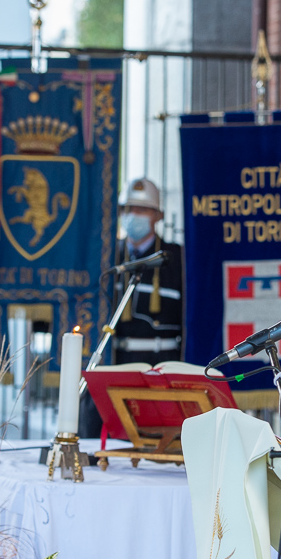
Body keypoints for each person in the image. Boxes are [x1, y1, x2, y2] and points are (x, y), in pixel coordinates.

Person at [78, 178, 184, 437]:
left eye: (141, 209)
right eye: (127, 209)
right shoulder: (106, 257)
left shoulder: (177, 258)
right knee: (100, 442)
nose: (132, 215)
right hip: (114, 364)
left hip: (159, 366)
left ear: (158, 215)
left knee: (153, 446)